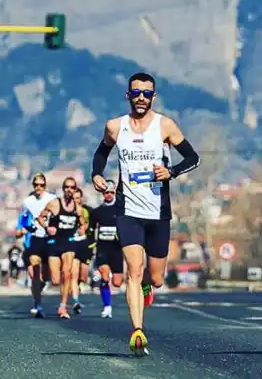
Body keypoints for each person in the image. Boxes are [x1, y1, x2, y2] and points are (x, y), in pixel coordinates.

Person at [91, 71, 201, 356]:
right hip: (127, 210)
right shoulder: (115, 127)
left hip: (158, 212)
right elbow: (101, 154)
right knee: (134, 271)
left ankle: (148, 289)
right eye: (136, 93)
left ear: (153, 96)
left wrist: (171, 171)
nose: (141, 97)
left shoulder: (165, 126)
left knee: (156, 278)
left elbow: (193, 157)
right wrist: (96, 175)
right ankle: (137, 330)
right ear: (128, 95)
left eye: (147, 93)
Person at [36, 179, 84, 319]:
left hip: (69, 243)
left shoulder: (77, 208)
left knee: (67, 273)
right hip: (54, 243)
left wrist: (82, 229)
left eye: (72, 187)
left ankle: (63, 306)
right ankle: (40, 289)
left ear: (75, 190)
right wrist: (47, 227)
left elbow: (83, 223)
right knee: (56, 280)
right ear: (63, 189)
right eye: (66, 187)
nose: (69, 189)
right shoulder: (54, 204)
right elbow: (40, 217)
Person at [15, 173, 58, 317]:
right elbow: (22, 221)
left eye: (41, 185)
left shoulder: (51, 199)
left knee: (45, 277)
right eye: (36, 185)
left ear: (45, 186)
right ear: (33, 186)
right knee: (35, 271)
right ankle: (38, 305)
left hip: (49, 240)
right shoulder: (28, 202)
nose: (39, 187)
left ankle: (38, 290)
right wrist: (22, 230)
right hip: (34, 240)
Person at [90, 179, 123, 318]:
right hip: (103, 248)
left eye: (111, 192)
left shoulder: (121, 210)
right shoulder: (97, 212)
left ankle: (110, 280)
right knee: (104, 276)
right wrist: (91, 246)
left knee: (117, 282)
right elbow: (91, 229)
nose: (108, 195)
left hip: (116, 249)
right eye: (106, 192)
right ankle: (107, 306)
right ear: (102, 194)